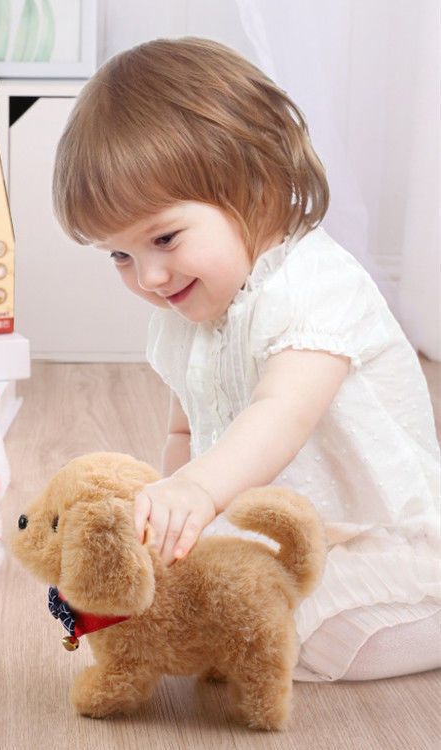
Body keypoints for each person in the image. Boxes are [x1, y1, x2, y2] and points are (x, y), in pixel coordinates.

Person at [52, 37, 440, 682]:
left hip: (374, 530)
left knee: (324, 641)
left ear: (257, 190)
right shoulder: (187, 315)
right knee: (227, 619)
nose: (148, 277)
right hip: (283, 532)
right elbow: (185, 432)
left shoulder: (314, 285)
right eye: (119, 255)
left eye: (164, 238)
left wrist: (200, 490)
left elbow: (281, 411)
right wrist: (174, 523)